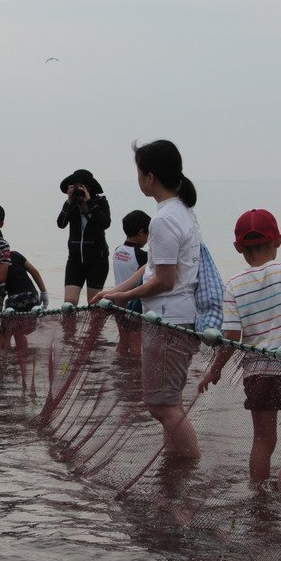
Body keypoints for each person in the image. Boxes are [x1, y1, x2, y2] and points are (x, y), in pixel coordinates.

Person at [198, 209, 281, 489]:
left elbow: (231, 336)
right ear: (278, 240)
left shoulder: (233, 285)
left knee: (263, 440)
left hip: (257, 372)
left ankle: (257, 493)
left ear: (238, 247)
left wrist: (214, 371)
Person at [92, 140, 202, 460]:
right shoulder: (180, 211)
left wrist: (124, 296)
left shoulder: (164, 219)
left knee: (160, 405)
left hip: (168, 320)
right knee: (170, 401)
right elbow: (151, 267)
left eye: (139, 172)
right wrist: (116, 291)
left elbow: (164, 280)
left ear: (150, 177)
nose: (138, 178)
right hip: (179, 317)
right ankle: (176, 469)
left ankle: (191, 464)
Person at [57, 168, 111, 305]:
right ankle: (69, 327)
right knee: (69, 303)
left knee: (94, 304)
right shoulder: (72, 205)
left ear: (90, 188)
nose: (80, 189)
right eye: (77, 186)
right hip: (74, 260)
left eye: (83, 186)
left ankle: (94, 328)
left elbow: (105, 223)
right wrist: (69, 201)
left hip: (97, 260)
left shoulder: (100, 203)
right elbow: (61, 224)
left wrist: (89, 202)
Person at [112, 210, 151, 355]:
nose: (148, 239)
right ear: (141, 232)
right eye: (148, 235)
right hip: (133, 306)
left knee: (123, 342)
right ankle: (133, 375)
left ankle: (119, 367)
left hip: (117, 303)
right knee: (135, 345)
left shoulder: (117, 250)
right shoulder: (142, 256)